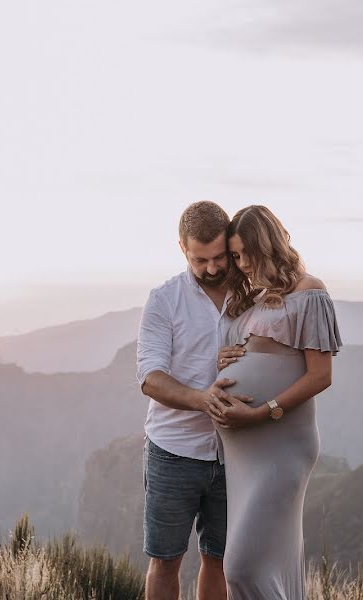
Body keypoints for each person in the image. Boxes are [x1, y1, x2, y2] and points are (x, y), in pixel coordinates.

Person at [205, 204, 342, 600]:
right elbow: (247, 353)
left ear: (270, 245)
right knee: (262, 563)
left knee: (241, 566)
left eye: (248, 252)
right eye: (235, 255)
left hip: (281, 447)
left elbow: (320, 375)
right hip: (244, 455)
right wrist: (226, 359)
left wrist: (260, 414)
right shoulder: (255, 298)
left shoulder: (309, 292)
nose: (242, 263)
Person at [136, 200, 250, 600]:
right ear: (182, 248)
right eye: (201, 259)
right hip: (174, 451)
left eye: (220, 256)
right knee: (166, 560)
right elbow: (150, 379)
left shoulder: (251, 292)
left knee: (221, 558)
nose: (213, 268)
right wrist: (203, 400)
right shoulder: (164, 300)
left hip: (236, 453)